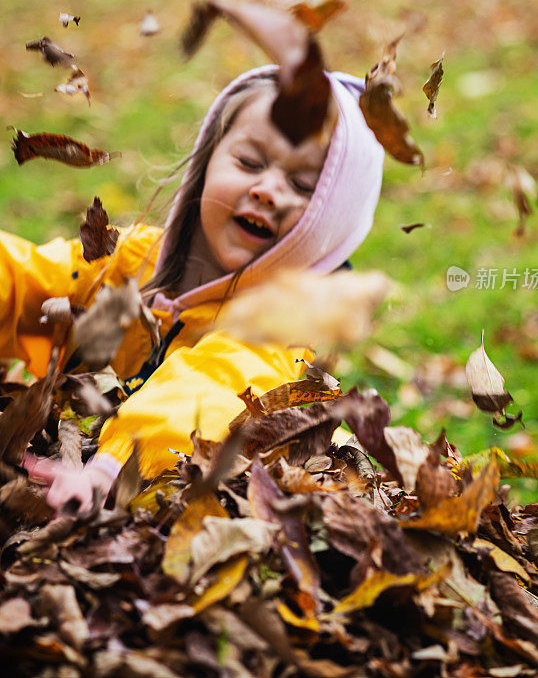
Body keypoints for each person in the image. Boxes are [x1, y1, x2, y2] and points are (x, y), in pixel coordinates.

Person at [2, 65, 384, 511]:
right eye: (249, 162)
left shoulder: (284, 327)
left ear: (329, 227)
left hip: (159, 493)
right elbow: (34, 280)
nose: (266, 189)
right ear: (207, 164)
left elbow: (216, 381)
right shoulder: (128, 260)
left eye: (302, 185)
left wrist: (114, 464)